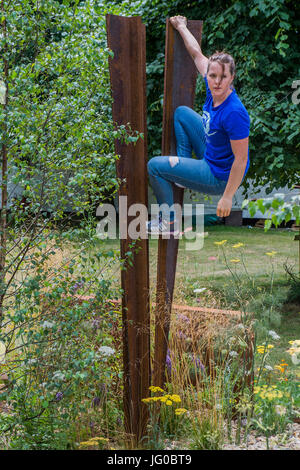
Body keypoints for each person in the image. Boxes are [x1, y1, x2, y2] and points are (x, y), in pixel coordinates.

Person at [147, 15, 250, 235]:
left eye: (223, 77)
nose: (217, 81)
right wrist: (182, 27)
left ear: (231, 77)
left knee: (154, 166)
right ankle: (182, 172)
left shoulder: (235, 113)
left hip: (218, 176)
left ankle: (168, 223)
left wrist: (228, 196)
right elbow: (196, 53)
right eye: (213, 76)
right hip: (211, 151)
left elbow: (241, 160)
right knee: (182, 113)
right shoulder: (211, 84)